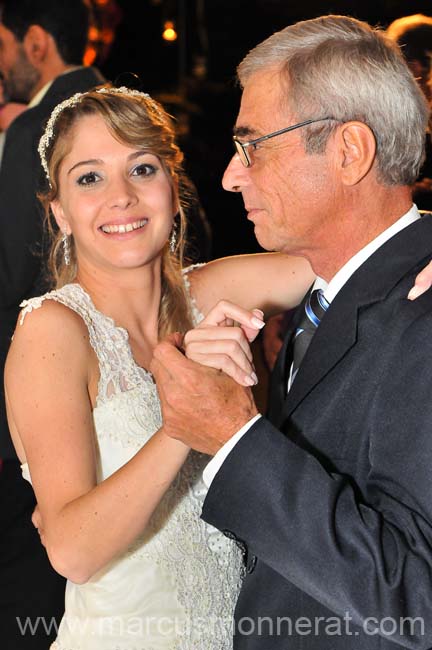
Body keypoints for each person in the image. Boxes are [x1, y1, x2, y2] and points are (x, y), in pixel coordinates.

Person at [150, 15, 432, 649]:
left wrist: (235, 437)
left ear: (349, 152)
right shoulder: (331, 292)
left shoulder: (424, 313)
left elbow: (418, 596)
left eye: (253, 145)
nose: (230, 175)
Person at [4, 84, 319, 649]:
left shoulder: (210, 292)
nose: (121, 196)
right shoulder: (53, 331)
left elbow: (353, 254)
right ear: (59, 213)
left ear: (173, 191)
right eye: (89, 177)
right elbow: (71, 551)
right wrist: (186, 416)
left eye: (142, 169)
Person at [0, 1, 104, 647]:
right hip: (130, 374)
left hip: (38, 397)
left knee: (30, 587)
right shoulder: (131, 106)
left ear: (36, 43)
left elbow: (12, 277)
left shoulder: (36, 130)